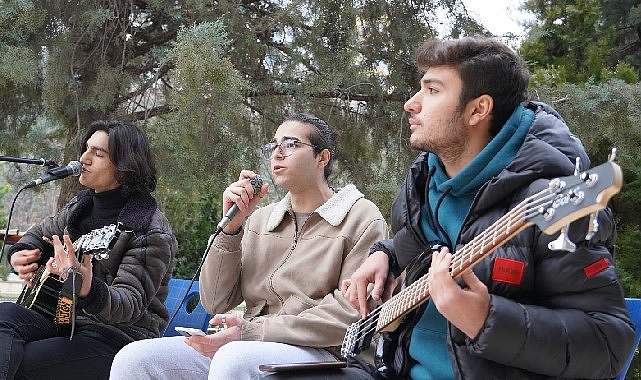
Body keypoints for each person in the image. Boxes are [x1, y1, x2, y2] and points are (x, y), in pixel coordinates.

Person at [266, 36, 637, 379]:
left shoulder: (552, 200)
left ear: (478, 110)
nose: (411, 103)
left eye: (432, 90)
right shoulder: (423, 186)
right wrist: (384, 255)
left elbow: (609, 344)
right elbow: (432, 248)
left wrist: (485, 319)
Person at [109, 113, 388, 380]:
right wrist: (230, 229)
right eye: (274, 145)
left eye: (291, 144)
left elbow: (350, 314)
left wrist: (252, 332)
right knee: (135, 358)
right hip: (248, 345)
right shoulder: (260, 220)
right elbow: (215, 301)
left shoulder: (361, 217)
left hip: (325, 353)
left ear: (322, 157)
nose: (277, 153)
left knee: (233, 360)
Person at [2, 120, 177, 380]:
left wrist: (87, 288)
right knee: (4, 314)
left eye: (98, 153)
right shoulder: (81, 207)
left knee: (25, 363)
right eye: (86, 148)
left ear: (125, 166)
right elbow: (40, 233)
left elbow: (130, 304)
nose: (84, 158)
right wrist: (22, 252)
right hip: (64, 321)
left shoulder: (149, 228)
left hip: (117, 338)